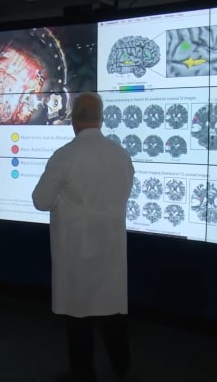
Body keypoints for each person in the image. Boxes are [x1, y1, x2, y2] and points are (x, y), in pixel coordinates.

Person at [32, 92, 135, 382]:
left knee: (79, 314)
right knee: (113, 311)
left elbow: (41, 200)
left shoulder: (64, 156)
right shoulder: (121, 155)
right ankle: (122, 367)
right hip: (111, 247)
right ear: (101, 118)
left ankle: (83, 373)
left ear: (73, 120)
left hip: (76, 249)